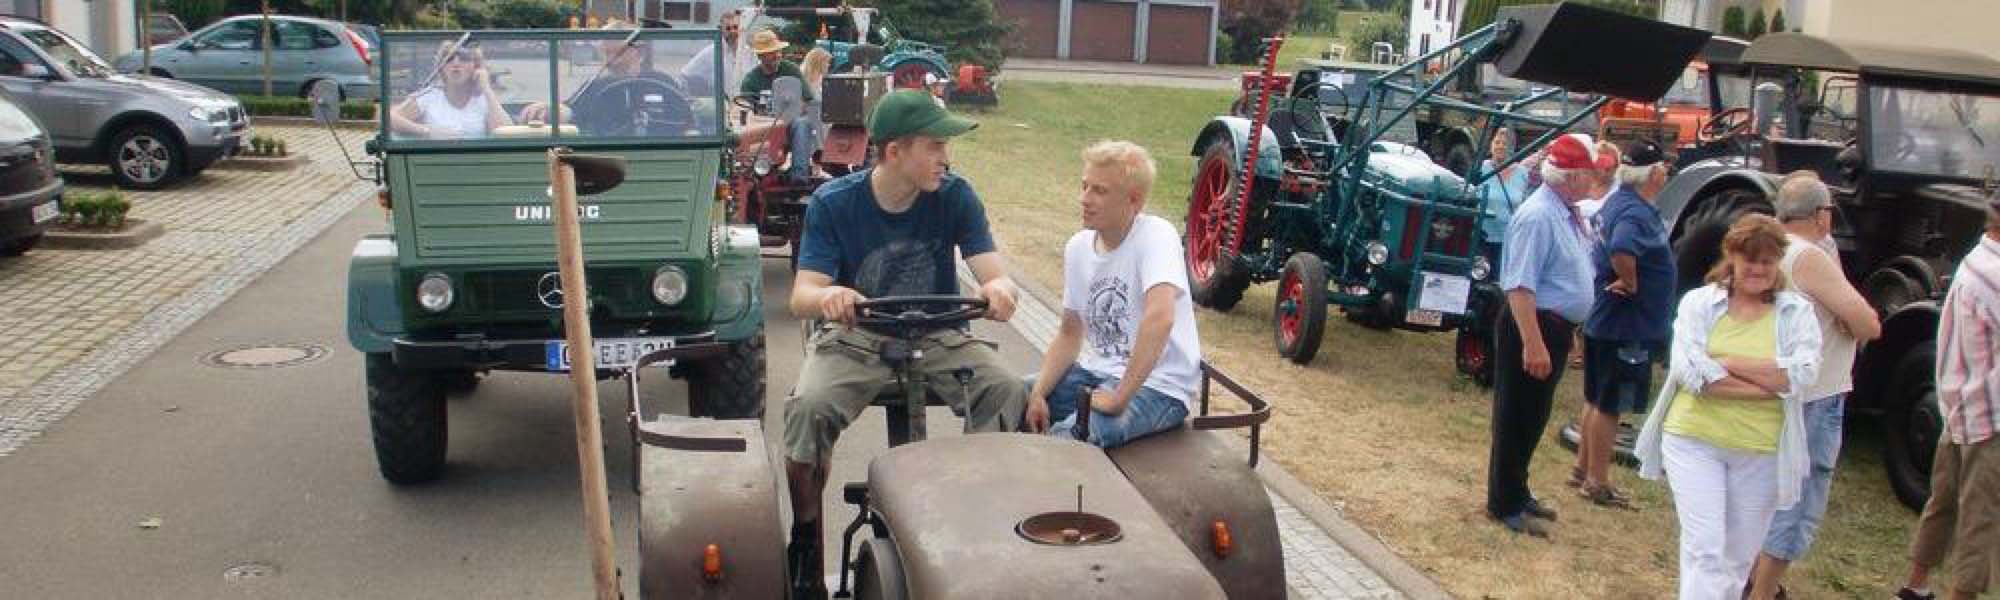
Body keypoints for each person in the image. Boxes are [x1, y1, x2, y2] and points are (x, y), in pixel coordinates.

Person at [782, 90, 1025, 597]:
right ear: (895, 152)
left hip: (939, 333)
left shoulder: (955, 196)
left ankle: (973, 525)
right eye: (935, 146)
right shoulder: (834, 204)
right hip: (857, 338)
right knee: (808, 408)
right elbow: (802, 295)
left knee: (1004, 388)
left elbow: (992, 274)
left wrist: (999, 290)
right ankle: (805, 538)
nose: (946, 158)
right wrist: (832, 295)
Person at [1634, 214, 1822, 600]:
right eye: (1750, 259)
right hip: (1694, 439)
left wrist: (1727, 363)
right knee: (1705, 548)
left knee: (1736, 559)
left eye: (1768, 262)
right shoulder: (1699, 304)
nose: (1758, 269)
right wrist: (1768, 382)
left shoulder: (1796, 312)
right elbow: (1694, 375)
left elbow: (1802, 375)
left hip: (1762, 451)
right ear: (1732, 258)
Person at [1745, 173, 1880, 599]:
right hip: (1815, 394)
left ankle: (1750, 577)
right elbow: (1866, 323)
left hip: (1773, 389)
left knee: (1765, 491)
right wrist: (1851, 320)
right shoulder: (1809, 256)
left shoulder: (1768, 250)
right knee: (1798, 497)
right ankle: (1765, 590)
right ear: (1821, 215)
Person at [1023, 140, 1200, 448]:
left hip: (1158, 387)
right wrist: (1038, 393)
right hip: (1097, 375)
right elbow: (1069, 333)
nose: (1085, 199)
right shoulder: (1078, 247)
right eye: (1084, 186)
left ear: (1134, 201)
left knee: (1069, 439)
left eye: (1099, 191)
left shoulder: (1156, 236)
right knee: (1011, 397)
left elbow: (1160, 318)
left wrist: (1120, 398)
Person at [1487, 133, 1612, 538]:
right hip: (1533, 325)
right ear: (1572, 177)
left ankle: (1518, 492)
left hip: (1552, 327)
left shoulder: (1565, 210)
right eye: (1590, 171)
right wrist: (1533, 342)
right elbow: (1520, 285)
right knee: (1516, 416)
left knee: (1534, 415)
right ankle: (1504, 502)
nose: (1595, 178)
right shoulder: (1538, 215)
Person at [1891, 197, 2000, 600]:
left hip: (1961, 404)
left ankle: (1916, 585)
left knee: (1943, 503)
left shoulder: (1977, 258)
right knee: (1981, 519)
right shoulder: (1994, 273)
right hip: (1990, 413)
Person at [1573, 139, 1678, 509]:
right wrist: (1631, 282)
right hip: (1625, 325)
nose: (1666, 170)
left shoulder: (1618, 202)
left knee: (1595, 398)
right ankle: (1597, 482)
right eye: (1663, 166)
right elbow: (1621, 246)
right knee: (1610, 405)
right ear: (1653, 174)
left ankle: (1583, 469)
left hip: (1607, 320)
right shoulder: (1634, 213)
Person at [520, 32, 695, 136]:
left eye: (617, 53)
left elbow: (687, 122)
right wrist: (548, 107)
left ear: (639, 53)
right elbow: (571, 111)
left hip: (663, 155)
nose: (610, 60)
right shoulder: (595, 86)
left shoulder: (663, 82)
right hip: (608, 160)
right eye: (605, 53)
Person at [389, 44, 511, 139]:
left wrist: (487, 89)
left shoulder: (484, 100)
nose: (456, 63)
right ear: (441, 68)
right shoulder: (429, 96)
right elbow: (390, 118)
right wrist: (427, 131)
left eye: (464, 58)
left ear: (476, 66)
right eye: (449, 59)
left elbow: (507, 132)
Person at [1477, 127, 1530, 268]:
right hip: (1480, 238)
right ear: (1491, 144)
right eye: (1497, 142)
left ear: (1512, 147)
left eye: (1504, 143)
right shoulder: (1479, 169)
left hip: (1509, 240)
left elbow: (1526, 205)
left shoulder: (1522, 173)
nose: (1500, 146)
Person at [679, 9, 747, 98]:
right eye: (728, 28)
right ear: (721, 29)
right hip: (721, 105)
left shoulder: (748, 52)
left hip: (743, 102)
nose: (732, 31)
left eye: (735, 27)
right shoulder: (712, 51)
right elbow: (684, 76)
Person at [740, 29, 813, 102]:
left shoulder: (791, 70)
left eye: (778, 51)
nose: (777, 55)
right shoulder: (751, 81)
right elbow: (744, 107)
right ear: (760, 56)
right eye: (771, 52)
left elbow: (807, 98)